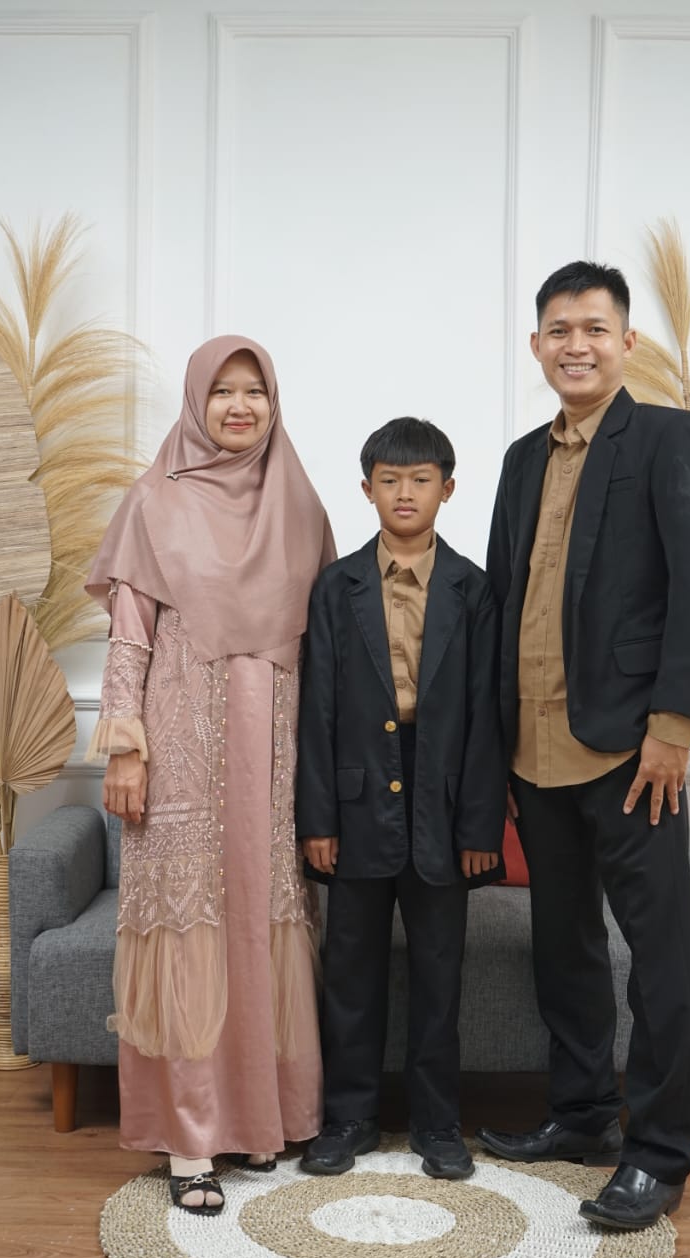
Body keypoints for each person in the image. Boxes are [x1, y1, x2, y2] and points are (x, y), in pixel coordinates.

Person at [478, 262, 690, 1229]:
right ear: (534, 345)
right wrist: (493, 745)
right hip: (533, 750)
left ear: (626, 342)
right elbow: (503, 600)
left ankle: (657, 1156)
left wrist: (672, 727)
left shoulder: (666, 437)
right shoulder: (518, 461)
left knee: (657, 956)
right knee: (563, 944)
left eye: (591, 328)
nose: (573, 345)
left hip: (630, 751)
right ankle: (581, 1114)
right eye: (557, 329)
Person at [85, 335, 335, 1215]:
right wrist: (126, 745)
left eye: (254, 392)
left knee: (260, 924)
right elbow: (129, 637)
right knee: (189, 934)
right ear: (196, 402)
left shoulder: (299, 504)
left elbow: (331, 645)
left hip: (274, 755)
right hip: (182, 744)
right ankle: (190, 1140)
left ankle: (261, 1120)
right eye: (222, 391)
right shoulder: (154, 501)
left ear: (273, 403)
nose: (239, 406)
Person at [296, 417, 505, 1182]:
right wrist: (317, 820)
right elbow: (315, 711)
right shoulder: (336, 587)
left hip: (442, 800)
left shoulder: (472, 589)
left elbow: (487, 714)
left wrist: (478, 825)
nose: (404, 493)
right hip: (355, 801)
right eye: (389, 480)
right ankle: (347, 1118)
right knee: (350, 969)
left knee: (438, 974)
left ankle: (436, 1123)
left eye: (420, 480)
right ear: (366, 490)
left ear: (447, 489)